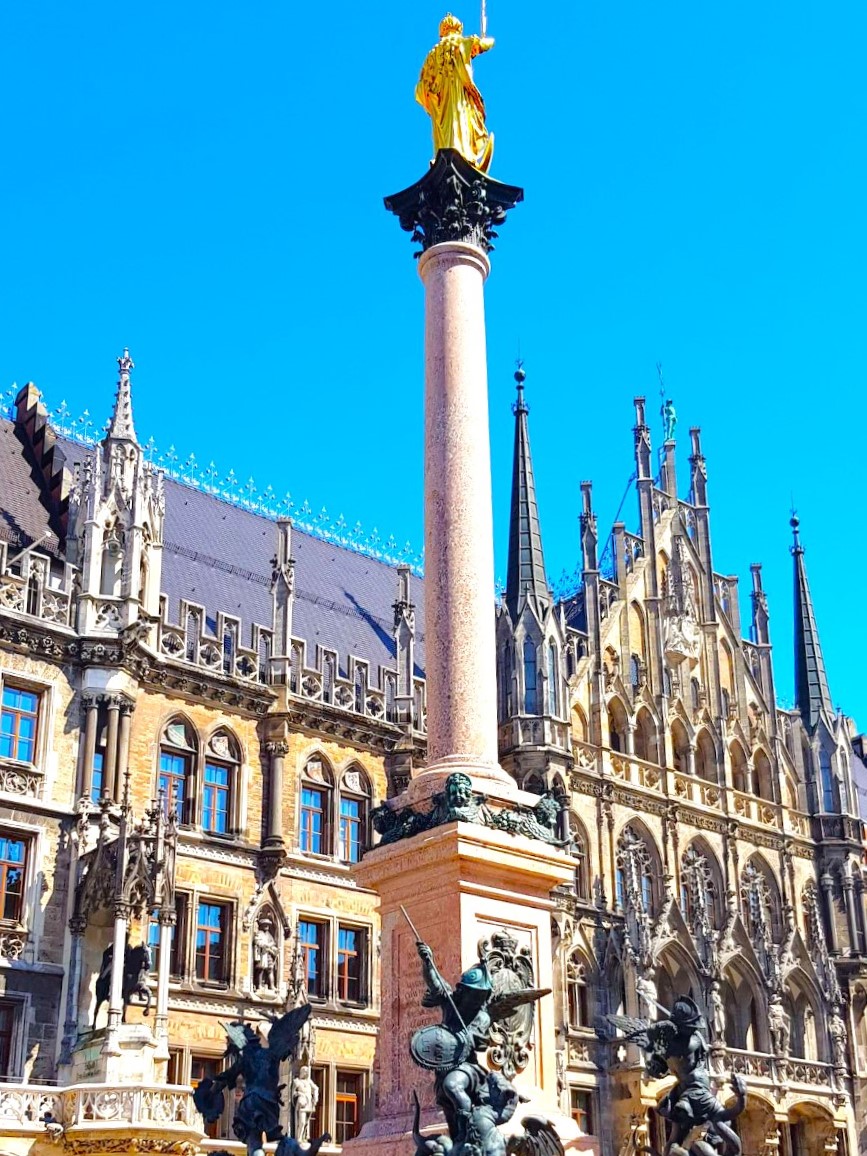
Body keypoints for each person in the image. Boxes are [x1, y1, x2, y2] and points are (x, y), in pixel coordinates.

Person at [416, 14, 495, 172]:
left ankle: (443, 155)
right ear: (458, 29)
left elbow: (421, 87)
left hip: (438, 100)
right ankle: (462, 153)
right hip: (458, 95)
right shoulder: (459, 42)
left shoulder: (431, 55)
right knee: (459, 120)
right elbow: (483, 44)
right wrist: (488, 39)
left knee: (444, 128)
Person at [292, 1066, 319, 1144]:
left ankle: (304, 1136)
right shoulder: (296, 1081)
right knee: (302, 1122)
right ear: (301, 1072)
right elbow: (293, 1094)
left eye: (307, 1072)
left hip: (309, 1103)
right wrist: (299, 1093)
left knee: (307, 1122)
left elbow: (316, 1088)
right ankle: (299, 1138)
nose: (306, 1073)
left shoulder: (309, 1081)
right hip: (302, 1104)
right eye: (305, 1072)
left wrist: (315, 1098)